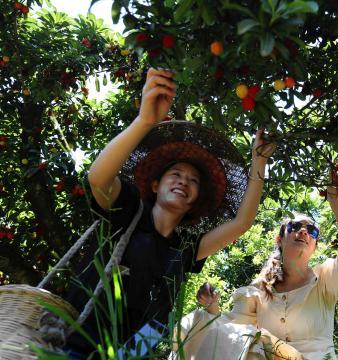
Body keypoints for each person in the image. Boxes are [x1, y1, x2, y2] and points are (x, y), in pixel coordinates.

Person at [63, 67, 276, 356]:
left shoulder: (186, 248)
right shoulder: (126, 210)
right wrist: (144, 121)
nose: (183, 181)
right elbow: (98, 179)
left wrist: (259, 163)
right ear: (154, 184)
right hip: (74, 345)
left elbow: (241, 223)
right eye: (175, 174)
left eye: (193, 181)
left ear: (196, 199)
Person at [171, 167, 338, 360]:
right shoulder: (259, 290)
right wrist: (212, 306)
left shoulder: (325, 280)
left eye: (311, 231)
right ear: (280, 239)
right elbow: (230, 327)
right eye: (294, 226)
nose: (303, 231)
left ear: (315, 247)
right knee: (197, 320)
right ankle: (140, 347)